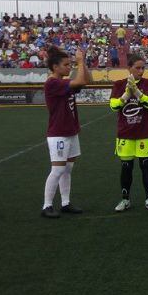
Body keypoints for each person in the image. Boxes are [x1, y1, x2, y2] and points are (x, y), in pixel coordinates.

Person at [41, 46, 90, 218]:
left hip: (70, 131)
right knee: (58, 170)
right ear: (55, 67)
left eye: (70, 64)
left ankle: (65, 203)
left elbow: (87, 80)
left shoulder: (63, 83)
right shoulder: (53, 83)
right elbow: (81, 81)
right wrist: (80, 62)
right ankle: (46, 206)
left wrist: (83, 63)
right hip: (58, 133)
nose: (69, 67)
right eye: (66, 65)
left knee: (67, 169)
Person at [109, 54, 148, 212]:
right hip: (125, 134)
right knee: (126, 167)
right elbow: (113, 106)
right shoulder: (118, 85)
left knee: (146, 165)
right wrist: (126, 95)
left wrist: (137, 92)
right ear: (129, 68)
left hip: (145, 133)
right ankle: (125, 200)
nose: (141, 71)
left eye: (143, 67)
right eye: (138, 68)